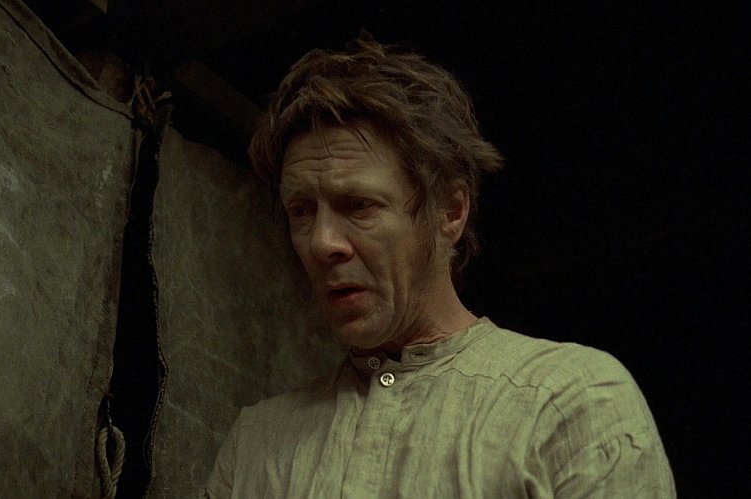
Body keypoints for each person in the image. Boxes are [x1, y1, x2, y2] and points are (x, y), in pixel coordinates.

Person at [203, 33, 675, 498]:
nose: (322, 243)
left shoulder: (569, 403)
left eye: (359, 205)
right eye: (302, 211)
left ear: (450, 211)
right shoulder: (255, 445)